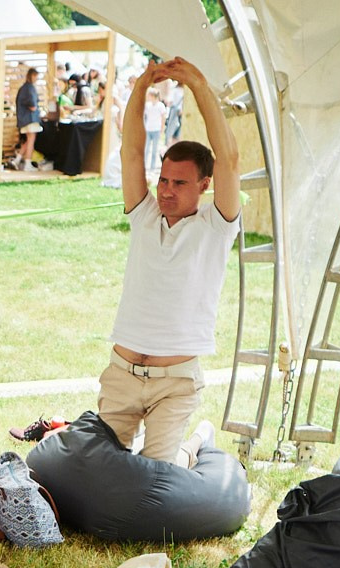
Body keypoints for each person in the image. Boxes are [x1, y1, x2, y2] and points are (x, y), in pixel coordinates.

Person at [103, 56, 241, 466]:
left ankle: (194, 442)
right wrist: (142, 86)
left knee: (155, 478)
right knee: (102, 468)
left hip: (176, 383)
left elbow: (229, 158)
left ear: (204, 184)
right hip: (122, 374)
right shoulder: (145, 216)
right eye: (163, 180)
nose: (165, 190)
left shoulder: (216, 225)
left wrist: (198, 85)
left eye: (179, 183)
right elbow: (131, 152)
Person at [11, 67, 42, 171]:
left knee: (27, 140)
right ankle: (27, 163)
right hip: (30, 119)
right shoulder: (30, 88)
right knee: (31, 140)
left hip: (23, 119)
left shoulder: (23, 88)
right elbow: (33, 106)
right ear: (32, 76)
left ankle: (17, 160)